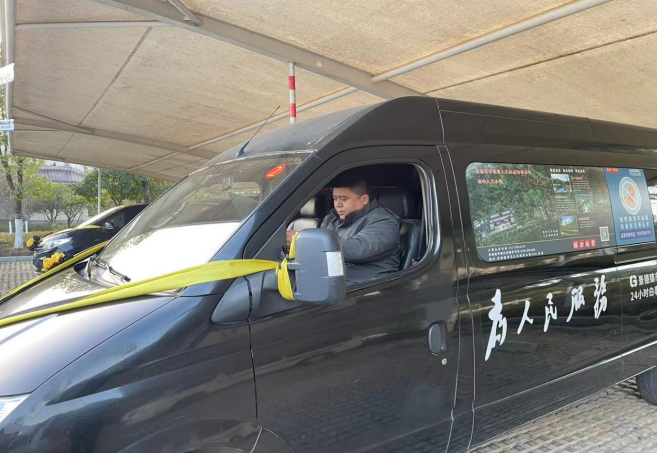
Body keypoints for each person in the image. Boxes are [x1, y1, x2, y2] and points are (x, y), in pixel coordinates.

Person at [287, 171, 401, 283]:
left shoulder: (385, 222)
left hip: (369, 283)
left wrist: (307, 241)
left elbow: (359, 249)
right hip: (336, 279)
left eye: (343, 199)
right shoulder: (331, 219)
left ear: (364, 200)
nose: (338, 204)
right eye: (335, 198)